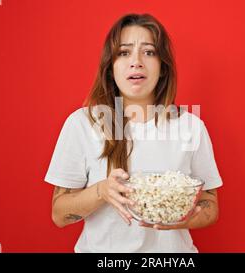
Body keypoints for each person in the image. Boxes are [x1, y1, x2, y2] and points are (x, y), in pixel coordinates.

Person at [44, 13, 223, 253]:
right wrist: (102, 191)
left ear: (162, 67)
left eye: (149, 52)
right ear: (111, 67)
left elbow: (209, 204)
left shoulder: (190, 126)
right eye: (124, 52)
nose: (136, 61)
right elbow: (60, 214)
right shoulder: (82, 124)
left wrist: (182, 217)